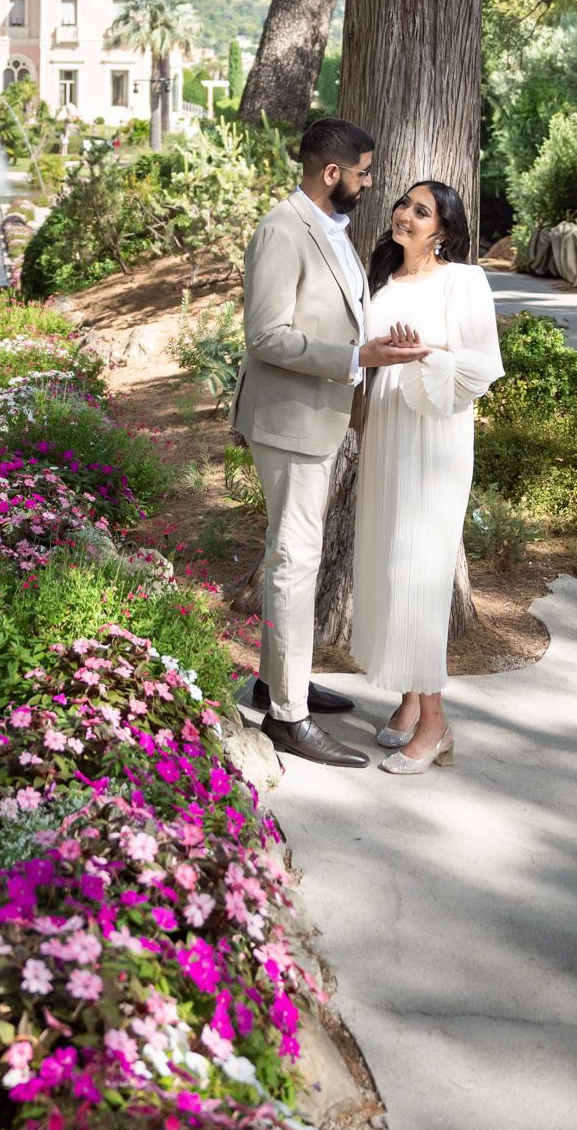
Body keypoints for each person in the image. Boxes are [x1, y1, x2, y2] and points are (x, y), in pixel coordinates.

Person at [231, 118, 431, 769]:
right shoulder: (281, 230)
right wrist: (355, 357)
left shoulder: (333, 233)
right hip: (288, 421)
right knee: (293, 561)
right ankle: (287, 718)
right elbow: (264, 336)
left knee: (294, 558)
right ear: (331, 173)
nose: (370, 183)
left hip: (317, 417)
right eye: (363, 172)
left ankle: (273, 681)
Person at [351, 181, 503, 774]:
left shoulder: (464, 280)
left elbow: (483, 362)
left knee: (421, 568)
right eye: (403, 204)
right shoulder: (383, 284)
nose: (405, 215)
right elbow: (363, 357)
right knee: (390, 562)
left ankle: (436, 723)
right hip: (388, 434)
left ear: (444, 229)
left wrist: (422, 351)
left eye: (422, 210)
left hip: (434, 438)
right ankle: (410, 700)